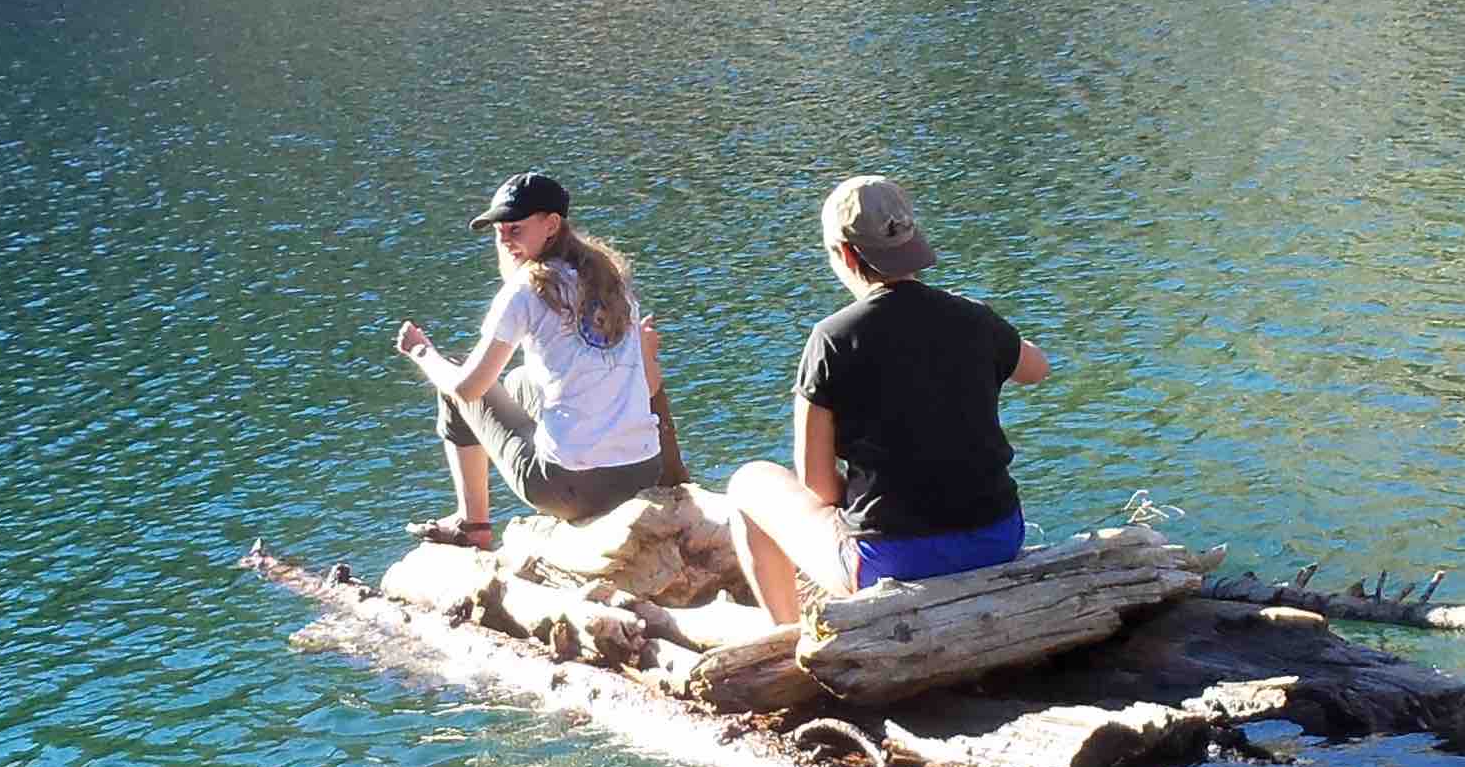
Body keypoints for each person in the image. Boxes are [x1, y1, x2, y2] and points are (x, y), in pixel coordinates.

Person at [720, 173, 1049, 625]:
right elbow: (1037, 370)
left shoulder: (832, 339)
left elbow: (817, 483)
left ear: (845, 254)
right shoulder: (972, 319)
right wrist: (978, 326)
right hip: (996, 539)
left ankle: (789, 636)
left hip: (889, 562)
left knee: (748, 483)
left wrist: (855, 506)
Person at [391, 170, 679, 546]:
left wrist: (422, 353)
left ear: (551, 225)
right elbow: (646, 383)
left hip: (571, 488)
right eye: (499, 231)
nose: (505, 240)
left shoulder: (525, 290)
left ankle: (471, 525)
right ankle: (669, 481)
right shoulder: (613, 281)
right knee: (517, 381)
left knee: (454, 376)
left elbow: (468, 388)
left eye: (515, 229)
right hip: (641, 472)